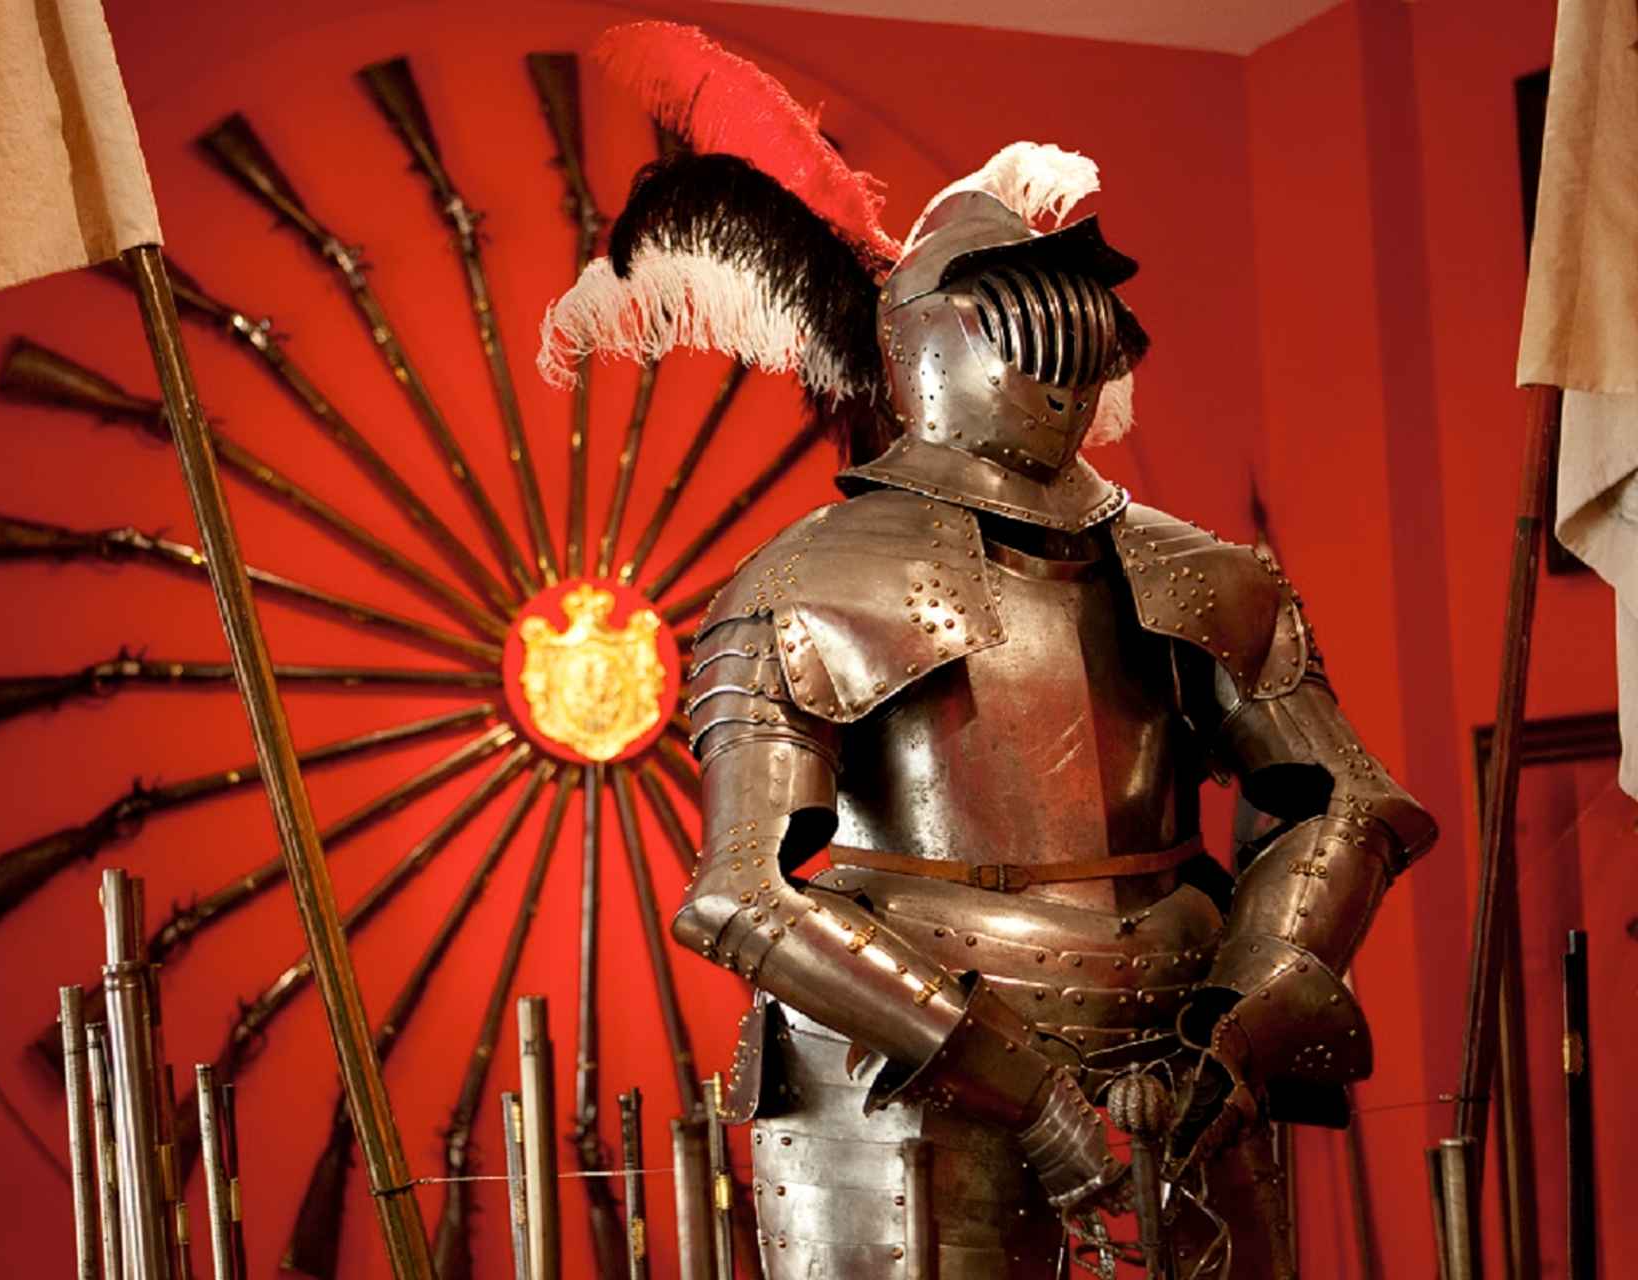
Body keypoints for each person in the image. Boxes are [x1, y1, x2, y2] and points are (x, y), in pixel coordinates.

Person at [541, 24, 1437, 1276]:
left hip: (1179, 1064)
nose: (1057, 345)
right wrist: (1032, 1091)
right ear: (936, 347)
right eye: (1023, 317)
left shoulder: (1203, 570)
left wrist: (1233, 1033)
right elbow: (745, 893)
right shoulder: (802, 582)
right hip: (906, 1079)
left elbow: (1344, 803)